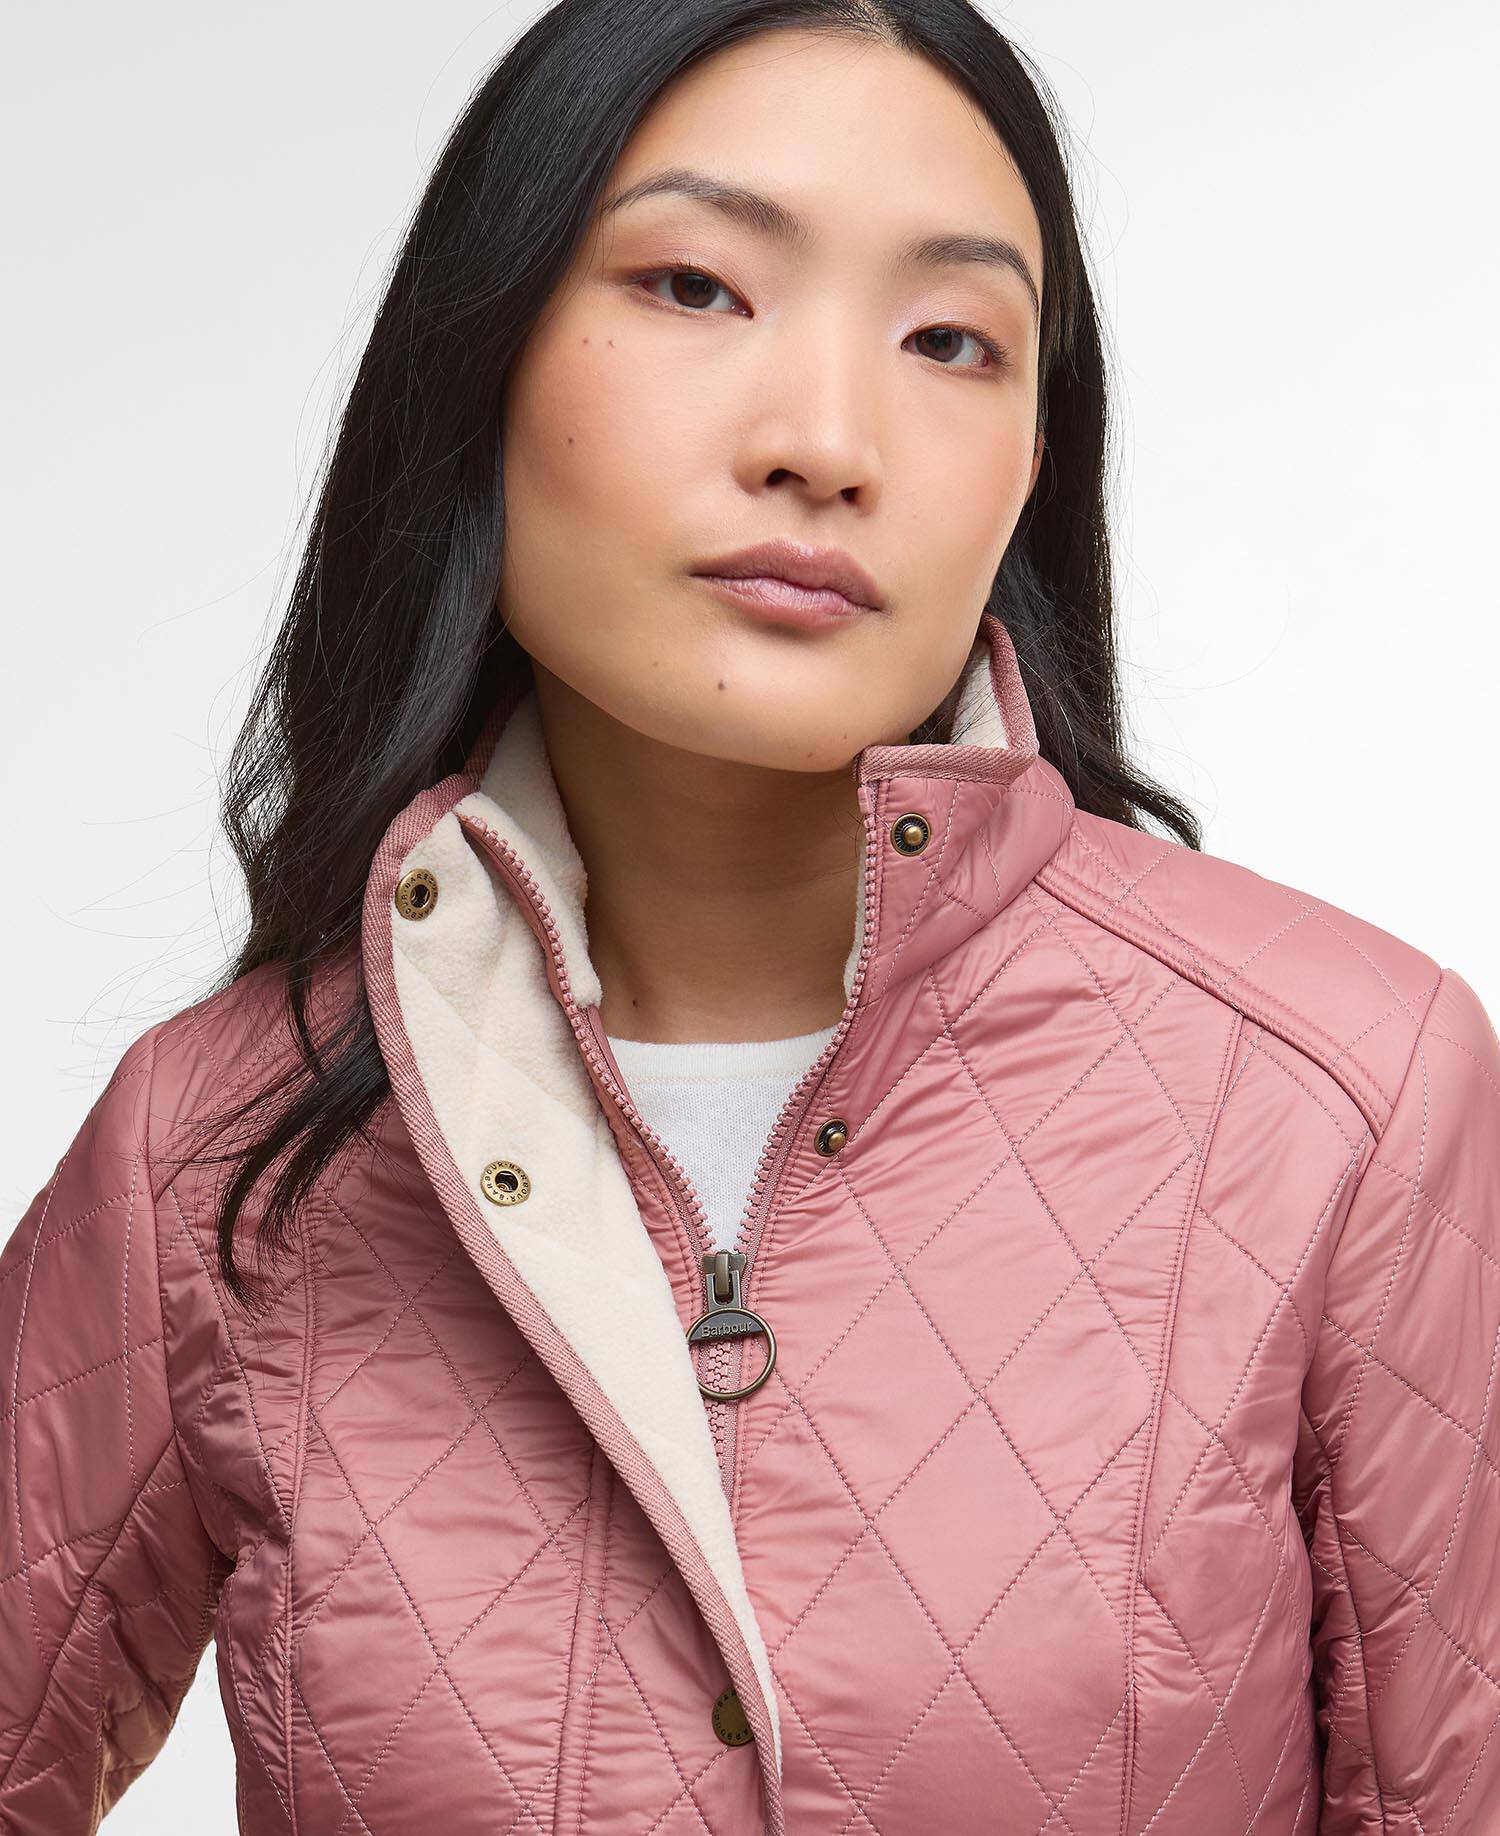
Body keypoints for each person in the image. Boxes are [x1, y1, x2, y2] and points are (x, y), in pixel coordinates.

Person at [3, 1, 1496, 1831]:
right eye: (698, 287)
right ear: (478, 360)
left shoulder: (1343, 1097)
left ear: (1034, 458)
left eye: (951, 340)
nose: (827, 442)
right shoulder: (208, 1158)